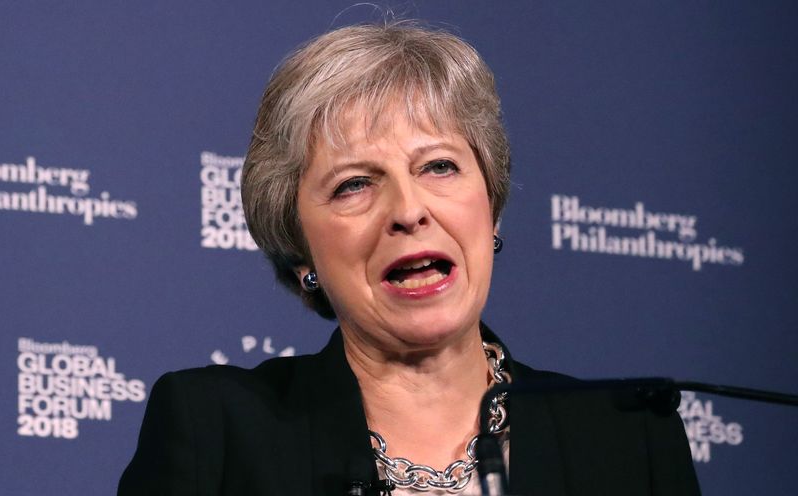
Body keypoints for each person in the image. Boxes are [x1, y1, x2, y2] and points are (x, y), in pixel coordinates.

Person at [119, 21, 700, 495]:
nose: (408, 209)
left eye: (439, 166)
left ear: (491, 209)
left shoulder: (628, 438)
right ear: (300, 251)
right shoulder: (216, 431)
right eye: (353, 185)